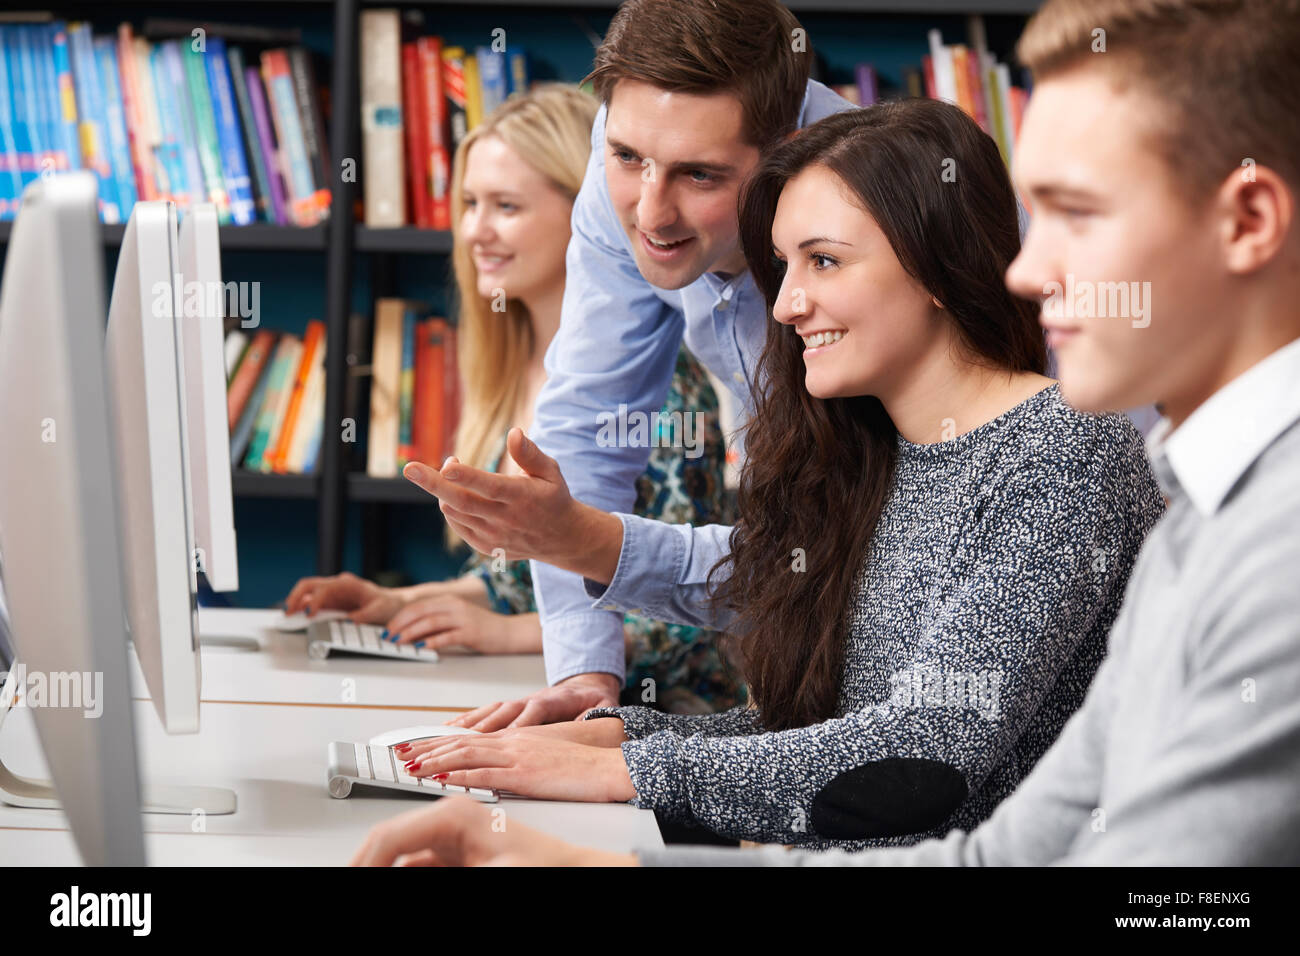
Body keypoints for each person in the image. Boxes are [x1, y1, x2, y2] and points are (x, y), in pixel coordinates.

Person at [356, 0, 1300, 865]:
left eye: (1077, 213)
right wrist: (616, 733)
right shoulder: (1189, 517)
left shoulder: (1149, 490)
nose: (1031, 266)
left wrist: (617, 814)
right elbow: (1015, 842)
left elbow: (936, 771)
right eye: (780, 265)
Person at [428, 0, 857, 731]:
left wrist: (590, 541)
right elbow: (584, 440)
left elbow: (839, 552)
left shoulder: (865, 209)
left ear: (787, 153)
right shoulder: (630, 156)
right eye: (627, 158)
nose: (650, 213)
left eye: (700, 176)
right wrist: (584, 672)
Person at [285, 85, 742, 714]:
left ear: (587, 211)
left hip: (664, 719)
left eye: (506, 206)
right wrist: (402, 603)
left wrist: (504, 636)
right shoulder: (510, 363)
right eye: (469, 204)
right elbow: (522, 578)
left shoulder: (664, 387)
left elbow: (691, 619)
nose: (477, 230)